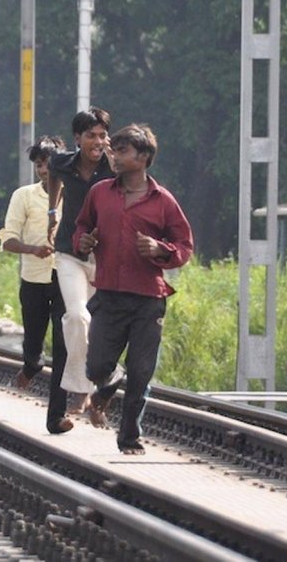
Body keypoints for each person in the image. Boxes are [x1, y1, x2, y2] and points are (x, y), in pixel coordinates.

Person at [74, 124, 194, 454]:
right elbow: (83, 225)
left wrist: (160, 250)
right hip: (109, 295)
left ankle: (129, 438)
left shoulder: (163, 201)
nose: (113, 155)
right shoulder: (100, 193)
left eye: (122, 151)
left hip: (148, 300)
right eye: (114, 150)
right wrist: (83, 241)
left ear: (143, 158)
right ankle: (110, 381)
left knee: (141, 374)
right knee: (97, 366)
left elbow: (184, 245)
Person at [0, 135, 74, 434]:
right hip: (34, 278)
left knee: (63, 346)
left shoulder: (77, 194)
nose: (45, 170)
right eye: (40, 165)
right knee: (33, 342)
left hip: (66, 276)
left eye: (50, 163)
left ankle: (57, 416)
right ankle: (30, 366)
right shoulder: (24, 196)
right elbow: (8, 238)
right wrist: (33, 249)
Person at [46, 107, 115, 416]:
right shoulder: (63, 162)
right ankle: (81, 389)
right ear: (78, 138)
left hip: (105, 256)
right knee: (77, 317)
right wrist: (52, 213)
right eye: (91, 136)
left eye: (102, 135)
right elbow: (54, 176)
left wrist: (115, 166)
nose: (97, 141)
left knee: (100, 328)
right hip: (69, 253)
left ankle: (103, 380)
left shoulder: (114, 168)